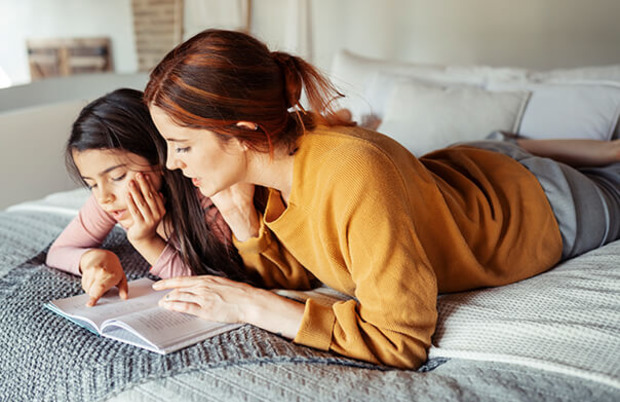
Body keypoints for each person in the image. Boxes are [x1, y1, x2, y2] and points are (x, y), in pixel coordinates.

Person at [143, 29, 620, 369]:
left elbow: (400, 340)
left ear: (245, 133)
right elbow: (305, 271)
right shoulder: (273, 160)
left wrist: (251, 307)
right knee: (497, 142)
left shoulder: (351, 173)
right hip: (466, 168)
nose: (171, 164)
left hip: (536, 206)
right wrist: (242, 218)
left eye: (182, 146)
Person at [46, 88, 254, 307]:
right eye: (91, 184)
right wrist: (90, 260)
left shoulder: (208, 196)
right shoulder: (107, 200)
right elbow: (58, 252)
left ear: (159, 158)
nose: (104, 196)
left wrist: (146, 241)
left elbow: (216, 292)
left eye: (117, 176)